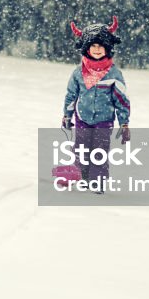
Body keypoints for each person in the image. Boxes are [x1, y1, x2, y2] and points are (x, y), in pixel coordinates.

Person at [61, 18, 131, 191]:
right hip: (82, 118)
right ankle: (83, 176)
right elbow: (71, 95)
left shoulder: (113, 73)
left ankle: (97, 181)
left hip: (104, 119)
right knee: (82, 149)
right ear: (86, 47)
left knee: (99, 151)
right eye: (93, 45)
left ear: (108, 48)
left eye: (101, 45)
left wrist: (124, 122)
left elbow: (121, 99)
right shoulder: (78, 73)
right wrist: (66, 115)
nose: (97, 49)